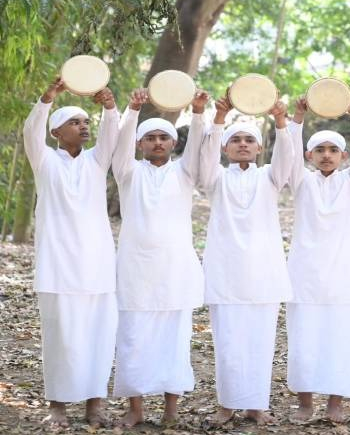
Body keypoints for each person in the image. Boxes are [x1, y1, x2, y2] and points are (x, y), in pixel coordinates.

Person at [22, 76, 120, 428]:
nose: (83, 127)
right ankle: (58, 406)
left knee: (99, 334)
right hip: (57, 266)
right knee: (60, 336)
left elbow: (113, 134)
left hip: (97, 265)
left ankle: (95, 406)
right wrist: (48, 96)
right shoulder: (45, 162)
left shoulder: (96, 162)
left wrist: (109, 107)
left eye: (85, 122)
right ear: (56, 132)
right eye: (74, 122)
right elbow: (30, 132)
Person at [112, 88, 207, 427]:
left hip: (175, 271)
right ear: (140, 144)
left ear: (173, 144)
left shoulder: (184, 173)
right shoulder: (127, 172)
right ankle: (135, 410)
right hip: (135, 269)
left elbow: (197, 147)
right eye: (149, 138)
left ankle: (171, 411)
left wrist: (197, 113)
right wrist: (132, 109)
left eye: (163, 138)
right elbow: (120, 145)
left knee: (174, 342)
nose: (156, 142)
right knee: (133, 340)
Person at [199, 95, 294, 426]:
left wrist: (281, 122)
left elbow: (287, 158)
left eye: (249, 140)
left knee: (260, 342)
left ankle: (256, 405)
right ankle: (226, 406)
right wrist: (219, 118)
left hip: (263, 273)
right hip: (225, 272)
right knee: (227, 343)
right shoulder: (216, 180)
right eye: (235, 140)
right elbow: (205, 161)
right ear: (226, 149)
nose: (242, 144)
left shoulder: (270, 177)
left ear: (259, 149)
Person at [285, 95, 350, 423]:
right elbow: (289, 155)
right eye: (319, 150)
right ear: (310, 155)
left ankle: (335, 402)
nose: (326, 155)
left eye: (333, 150)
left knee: (339, 339)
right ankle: (305, 402)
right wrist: (297, 117)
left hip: (343, 274)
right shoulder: (301, 181)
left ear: (343, 156)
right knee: (304, 339)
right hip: (304, 274)